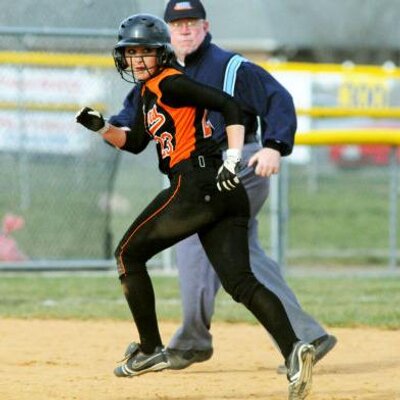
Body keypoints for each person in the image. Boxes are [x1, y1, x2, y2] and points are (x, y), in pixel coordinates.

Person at [76, 13, 315, 400]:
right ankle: (295, 349)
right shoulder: (149, 91)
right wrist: (102, 127)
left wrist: (233, 159)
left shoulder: (170, 83)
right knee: (240, 283)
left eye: (146, 52)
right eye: (131, 52)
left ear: (161, 54)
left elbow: (231, 106)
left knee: (126, 254)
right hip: (216, 190)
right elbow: (135, 141)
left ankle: (151, 348)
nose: (137, 59)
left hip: (198, 182)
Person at [159, 0, 337, 373]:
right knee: (242, 253)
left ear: (206, 26)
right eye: (178, 24)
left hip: (240, 164)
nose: (186, 29)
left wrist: (275, 146)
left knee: (193, 234)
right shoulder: (163, 74)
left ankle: (192, 341)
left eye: (192, 22)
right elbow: (132, 117)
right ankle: (305, 336)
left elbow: (278, 99)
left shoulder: (230, 67)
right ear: (168, 31)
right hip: (200, 172)